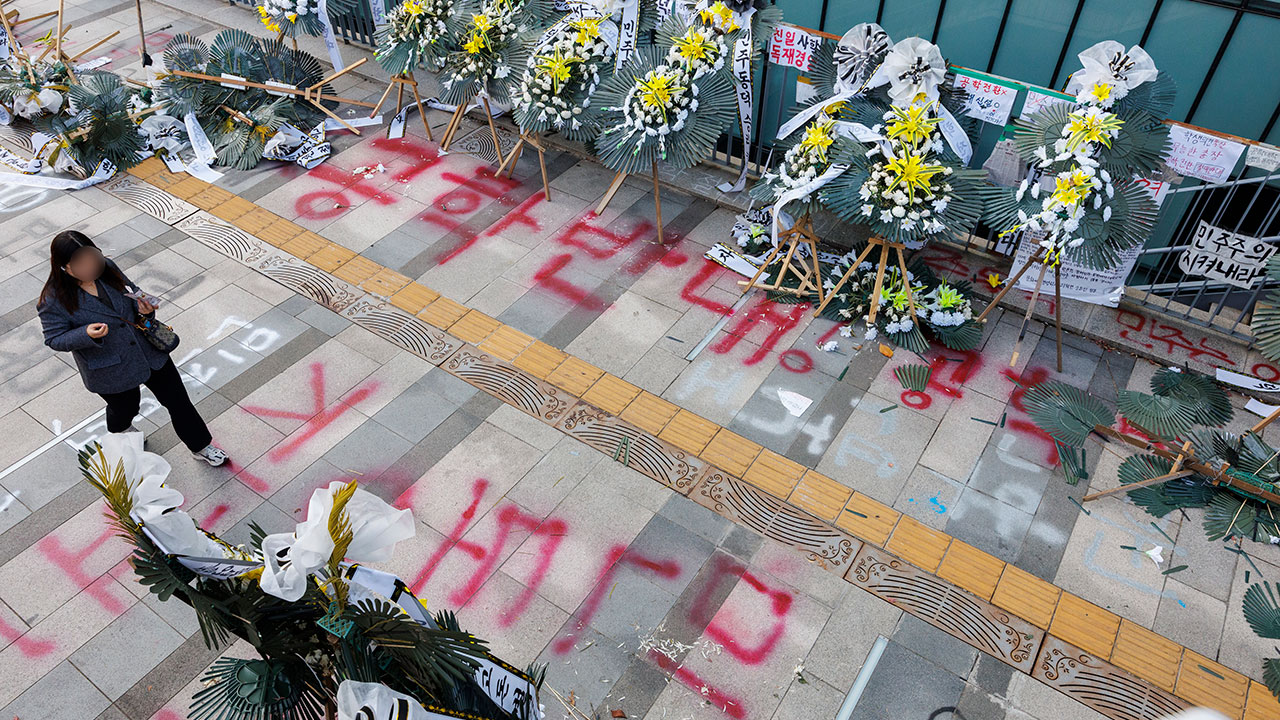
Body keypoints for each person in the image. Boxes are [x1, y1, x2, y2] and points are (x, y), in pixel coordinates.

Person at [36, 230, 228, 466]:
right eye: (82, 263)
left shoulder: (107, 267)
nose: (91, 266)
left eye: (93, 257)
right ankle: (120, 427)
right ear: (65, 267)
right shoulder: (53, 300)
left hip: (147, 351)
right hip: (109, 366)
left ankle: (200, 445)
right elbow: (54, 338)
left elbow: (131, 293)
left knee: (178, 401)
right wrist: (85, 334)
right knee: (126, 407)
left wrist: (144, 308)